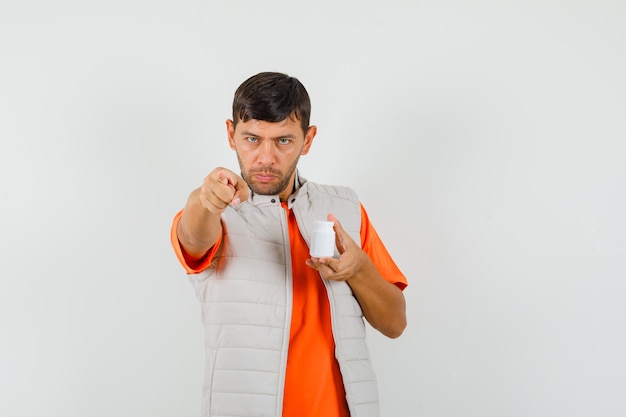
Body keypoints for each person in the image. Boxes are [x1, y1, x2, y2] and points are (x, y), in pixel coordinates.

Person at [170, 71, 407, 417]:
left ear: (307, 140)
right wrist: (205, 202)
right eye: (252, 139)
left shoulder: (345, 208)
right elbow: (193, 236)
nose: (266, 158)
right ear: (230, 134)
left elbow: (395, 323)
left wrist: (359, 269)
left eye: (283, 141)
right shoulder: (216, 209)